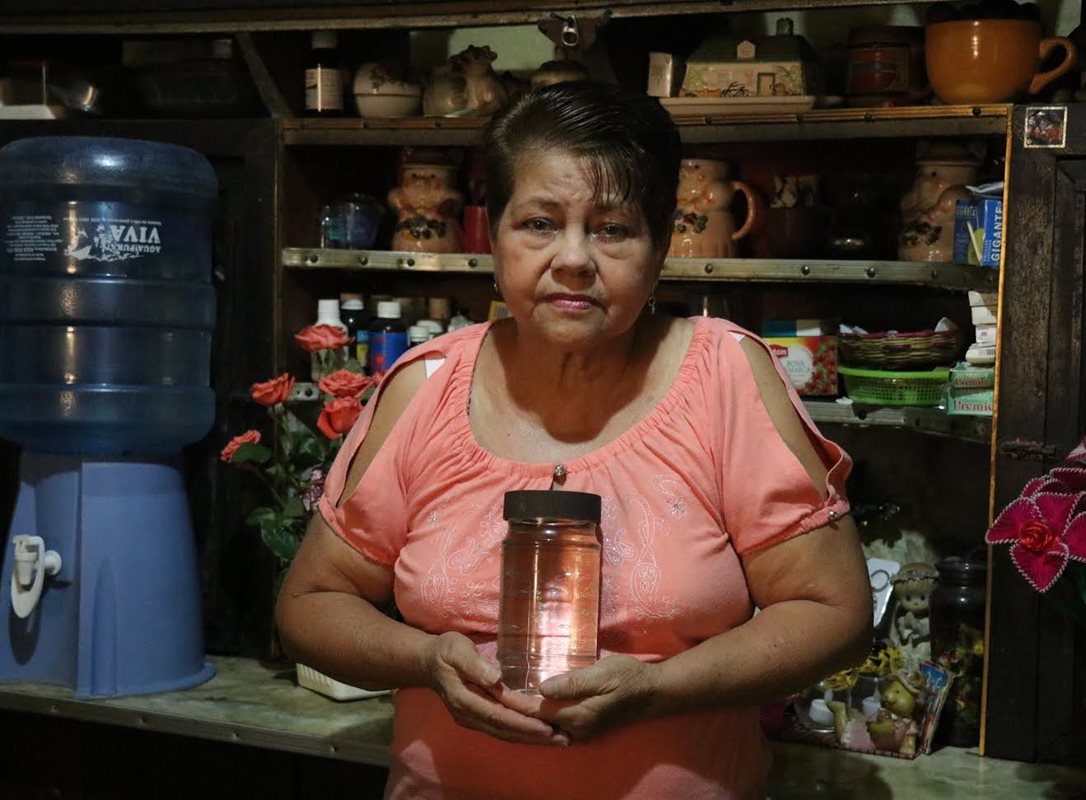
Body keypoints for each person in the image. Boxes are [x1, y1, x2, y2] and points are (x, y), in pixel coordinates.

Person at [276, 81, 873, 800]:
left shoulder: (723, 375)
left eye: (613, 228)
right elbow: (310, 604)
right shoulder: (424, 387)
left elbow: (833, 614)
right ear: (491, 233)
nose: (573, 258)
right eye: (538, 222)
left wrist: (660, 687)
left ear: (659, 249)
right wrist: (424, 658)